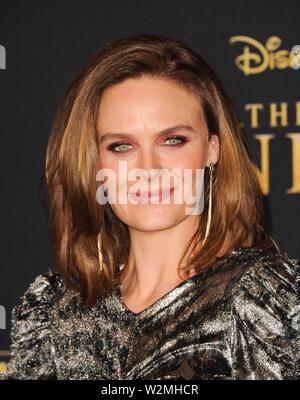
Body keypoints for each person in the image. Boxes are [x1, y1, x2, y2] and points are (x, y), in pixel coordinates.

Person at [1, 34, 300, 380]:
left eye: (173, 140)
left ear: (212, 149)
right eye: (121, 146)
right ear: (94, 163)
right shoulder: (55, 313)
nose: (149, 169)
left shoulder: (264, 303)